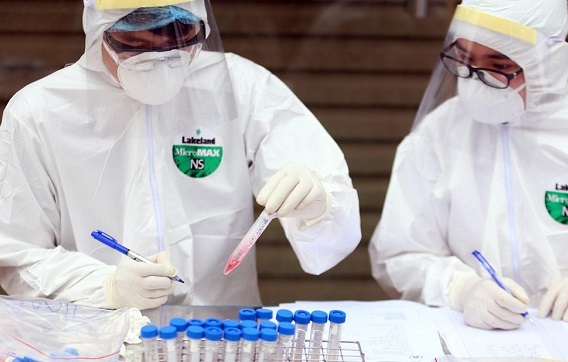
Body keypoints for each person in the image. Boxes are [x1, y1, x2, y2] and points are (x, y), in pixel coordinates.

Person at [0, 0, 361, 310]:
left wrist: (319, 206)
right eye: (137, 40)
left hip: (222, 342)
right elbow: (16, 256)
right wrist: (104, 287)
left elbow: (333, 239)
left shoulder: (239, 86)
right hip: (95, 346)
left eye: (179, 35)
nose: (160, 56)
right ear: (99, 29)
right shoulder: (40, 112)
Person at [369, 0, 568, 330]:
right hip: (473, 343)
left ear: (547, 63)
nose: (477, 80)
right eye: (465, 59)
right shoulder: (439, 134)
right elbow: (400, 255)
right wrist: (461, 289)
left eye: (499, 65)